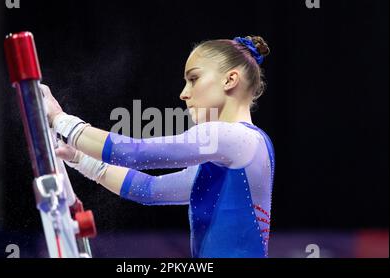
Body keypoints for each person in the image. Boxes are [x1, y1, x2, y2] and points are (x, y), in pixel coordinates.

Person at [41, 35, 275, 258]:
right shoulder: (245, 145)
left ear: (230, 80)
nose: (184, 94)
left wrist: (61, 120)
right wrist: (81, 159)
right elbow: (149, 190)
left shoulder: (232, 137)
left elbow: (134, 153)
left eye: (193, 79)